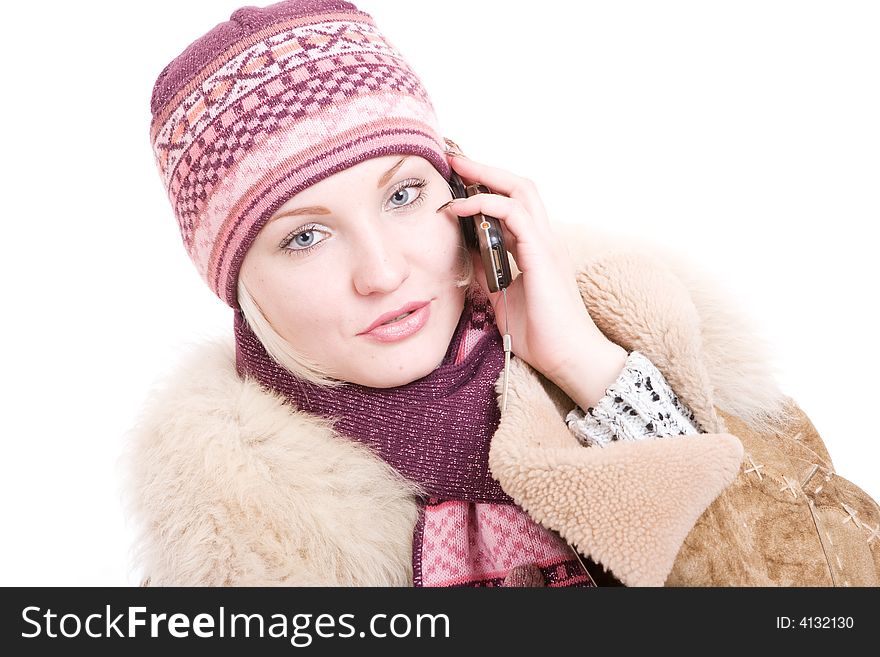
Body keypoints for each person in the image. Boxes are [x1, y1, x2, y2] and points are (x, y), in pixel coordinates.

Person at [124, 0, 880, 587]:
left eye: (402, 195)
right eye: (304, 236)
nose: (382, 272)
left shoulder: (662, 353)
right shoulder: (228, 529)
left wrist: (590, 368)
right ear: (234, 283)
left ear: (464, 188)